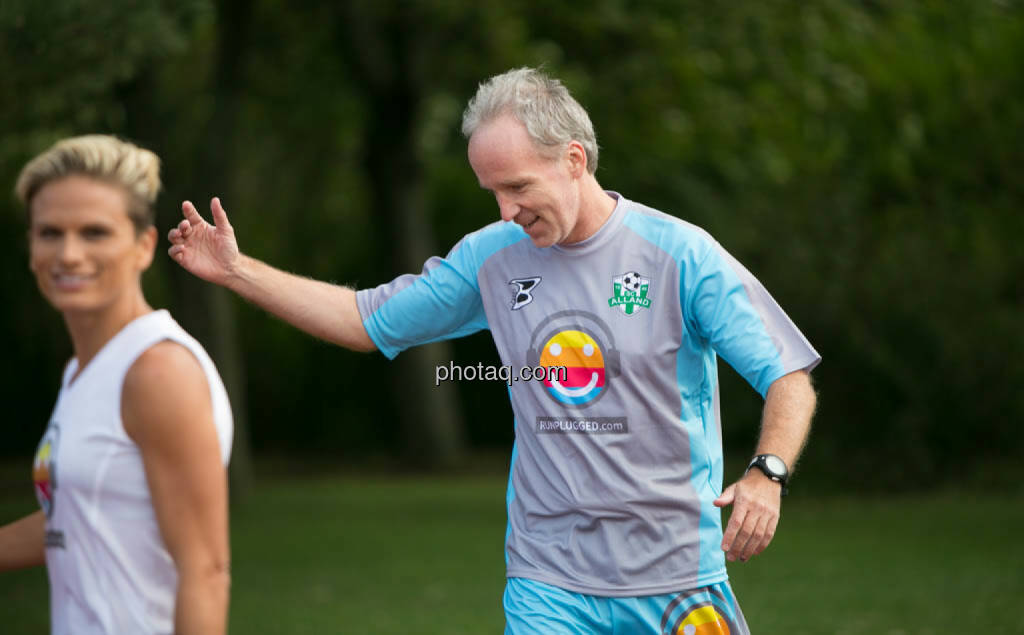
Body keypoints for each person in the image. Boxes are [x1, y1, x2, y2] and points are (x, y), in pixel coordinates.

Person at [167, 67, 819, 634]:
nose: (506, 210)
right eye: (492, 192)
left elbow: (787, 373)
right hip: (550, 579)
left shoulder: (680, 255)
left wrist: (768, 471)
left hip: (678, 570)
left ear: (573, 160)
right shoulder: (492, 257)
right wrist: (237, 271)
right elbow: (364, 318)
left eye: (518, 187)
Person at [0, 135, 234, 635]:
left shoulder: (157, 371)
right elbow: (78, 521)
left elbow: (206, 573)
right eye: (49, 233)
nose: (68, 253)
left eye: (94, 233)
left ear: (143, 246)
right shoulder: (83, 371)